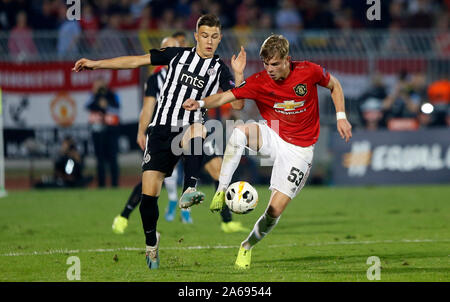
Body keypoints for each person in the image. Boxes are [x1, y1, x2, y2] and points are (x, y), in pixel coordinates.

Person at [73, 14, 246, 270]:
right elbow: (135, 61)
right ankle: (152, 244)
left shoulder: (220, 68)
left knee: (197, 127)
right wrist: (96, 64)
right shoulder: (176, 54)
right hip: (160, 131)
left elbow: (239, 103)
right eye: (205, 35)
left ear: (220, 38)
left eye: (214, 37)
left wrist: (239, 73)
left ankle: (190, 189)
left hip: (189, 127)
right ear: (196, 36)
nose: (209, 41)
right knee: (148, 197)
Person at [183, 34, 352, 269]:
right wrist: (200, 103)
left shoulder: (308, 71)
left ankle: (247, 246)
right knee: (239, 131)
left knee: (274, 210)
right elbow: (226, 97)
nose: (270, 69)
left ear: (287, 60)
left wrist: (341, 116)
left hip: (300, 151)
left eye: (274, 64)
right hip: (274, 133)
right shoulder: (260, 81)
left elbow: (335, 85)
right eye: (266, 64)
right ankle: (221, 190)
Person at [112, 35, 249, 234]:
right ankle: (124, 215)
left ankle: (226, 220)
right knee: (151, 180)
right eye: (166, 48)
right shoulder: (155, 80)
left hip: (194, 128)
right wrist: (142, 131)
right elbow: (148, 108)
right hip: (165, 131)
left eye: (174, 47)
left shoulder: (201, 69)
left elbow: (227, 98)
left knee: (218, 171)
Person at [85, 78, 121, 188]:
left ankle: (115, 184)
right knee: (100, 159)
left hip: (111, 131)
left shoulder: (112, 94)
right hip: (97, 131)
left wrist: (107, 103)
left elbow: (117, 107)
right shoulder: (92, 96)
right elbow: (87, 106)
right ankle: (101, 184)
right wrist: (96, 96)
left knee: (113, 158)